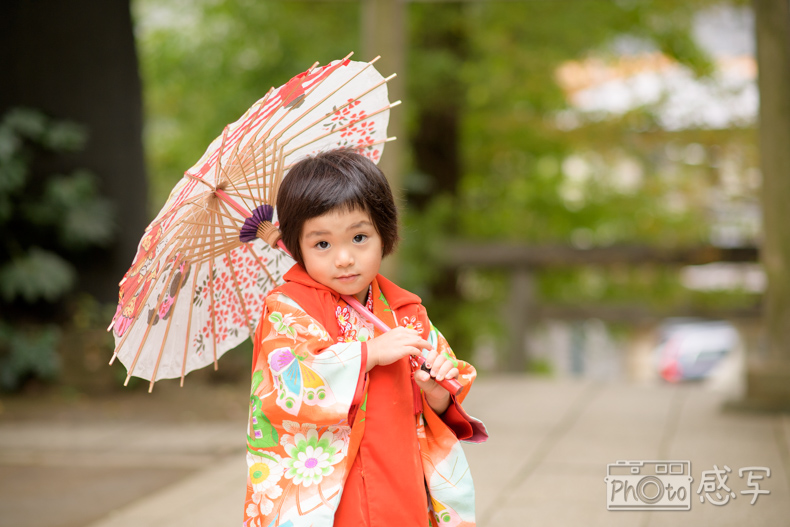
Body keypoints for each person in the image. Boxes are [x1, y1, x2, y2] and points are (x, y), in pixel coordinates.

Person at [243, 149, 487, 527]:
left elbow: (442, 395)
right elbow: (285, 387)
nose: (343, 258)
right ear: (297, 247)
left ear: (385, 234)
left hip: (400, 474)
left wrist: (437, 394)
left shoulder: (406, 311)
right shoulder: (288, 308)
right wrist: (367, 352)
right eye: (322, 244)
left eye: (359, 237)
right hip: (333, 486)